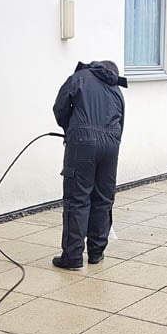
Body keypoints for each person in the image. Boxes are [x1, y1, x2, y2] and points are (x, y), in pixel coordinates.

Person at [51, 60, 127, 269]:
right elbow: (122, 123)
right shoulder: (116, 89)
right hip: (111, 145)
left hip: (83, 143)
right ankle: (96, 253)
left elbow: (60, 107)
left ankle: (73, 256)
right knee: (103, 199)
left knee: (77, 198)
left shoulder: (79, 78)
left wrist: (72, 129)